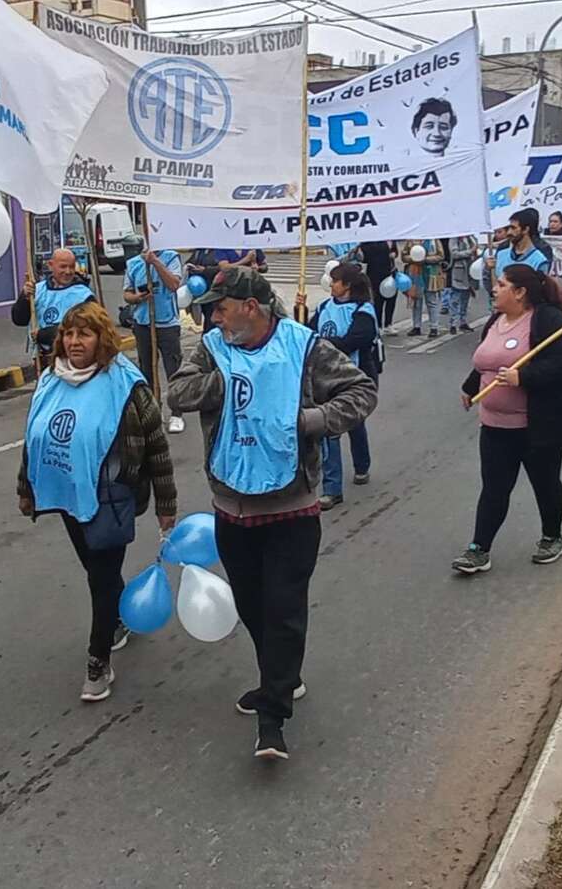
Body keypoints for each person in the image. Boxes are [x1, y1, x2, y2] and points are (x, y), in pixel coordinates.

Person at [166, 267, 377, 761]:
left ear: (252, 307)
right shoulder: (215, 347)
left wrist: (314, 421)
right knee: (252, 604)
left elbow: (361, 390)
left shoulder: (304, 347)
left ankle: (272, 716)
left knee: (283, 608)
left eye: (221, 307)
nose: (212, 316)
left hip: (291, 506)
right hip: (231, 505)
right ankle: (280, 675)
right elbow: (177, 393)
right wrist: (225, 384)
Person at [16, 303, 177, 702]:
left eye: (83, 334)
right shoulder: (51, 380)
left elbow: (157, 448)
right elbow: (33, 436)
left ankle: (98, 658)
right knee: (95, 570)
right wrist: (26, 487)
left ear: (102, 339)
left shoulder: (127, 385)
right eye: (68, 334)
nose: (73, 342)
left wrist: (166, 505)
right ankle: (118, 619)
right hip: (70, 493)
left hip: (112, 495)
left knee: (101, 576)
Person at [454, 264, 562, 575]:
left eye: (501, 284)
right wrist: (470, 387)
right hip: (495, 425)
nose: (494, 289)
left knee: (545, 483)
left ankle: (552, 537)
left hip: (538, 426)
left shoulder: (547, 320)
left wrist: (524, 376)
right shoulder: (496, 320)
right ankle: (478, 549)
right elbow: (488, 361)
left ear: (520, 292)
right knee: (494, 487)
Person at [312, 263, 382, 509]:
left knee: (355, 423)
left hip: (355, 379)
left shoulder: (364, 311)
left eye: (335, 280)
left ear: (348, 285)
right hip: (325, 380)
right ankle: (332, 489)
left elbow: (354, 340)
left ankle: (361, 465)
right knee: (329, 429)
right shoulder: (323, 308)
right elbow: (307, 334)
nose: (330, 284)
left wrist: (322, 343)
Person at [122, 245, 188, 434]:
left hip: (167, 322)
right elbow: (126, 293)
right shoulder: (133, 263)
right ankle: (152, 410)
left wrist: (155, 263)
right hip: (143, 323)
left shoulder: (171, 257)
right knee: (147, 369)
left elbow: (174, 285)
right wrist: (137, 297)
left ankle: (176, 413)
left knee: (173, 368)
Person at [13, 246, 95, 366]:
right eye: (63, 266)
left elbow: (86, 329)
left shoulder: (84, 295)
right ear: (51, 265)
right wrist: (24, 298)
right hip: (43, 358)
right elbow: (19, 320)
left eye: (71, 267)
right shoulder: (37, 290)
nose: (68, 271)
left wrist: (43, 334)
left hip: (72, 359)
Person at [349, 239, 399, 330]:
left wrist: (394, 254)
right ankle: (378, 325)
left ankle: (389, 324)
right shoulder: (371, 240)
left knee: (391, 299)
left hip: (391, 273)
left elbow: (395, 251)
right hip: (376, 274)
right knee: (378, 301)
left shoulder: (391, 238)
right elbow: (365, 259)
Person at [494, 208, 554, 275]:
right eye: (508, 228)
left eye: (513, 228)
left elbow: (541, 283)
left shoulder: (540, 259)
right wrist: (491, 268)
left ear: (525, 229)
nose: (509, 232)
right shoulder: (501, 253)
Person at [442, 235, 479, 333]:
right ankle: (453, 323)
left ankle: (463, 321)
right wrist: (470, 251)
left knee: (465, 299)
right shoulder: (454, 238)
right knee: (455, 299)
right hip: (458, 271)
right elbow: (454, 254)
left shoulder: (471, 237)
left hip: (469, 271)